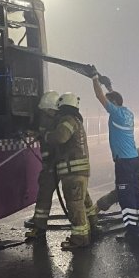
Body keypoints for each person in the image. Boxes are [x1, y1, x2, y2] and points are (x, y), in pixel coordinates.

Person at [92, 73, 139, 241]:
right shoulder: (128, 113)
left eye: (110, 102)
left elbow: (99, 96)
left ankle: (132, 233)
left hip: (124, 163)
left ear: (115, 103)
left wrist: (94, 79)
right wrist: (109, 86)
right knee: (136, 195)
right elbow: (115, 98)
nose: (107, 106)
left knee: (126, 198)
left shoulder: (116, 113)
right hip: (133, 160)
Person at [43, 92, 98, 250]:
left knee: (75, 205)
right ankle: (94, 226)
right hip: (78, 171)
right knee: (84, 202)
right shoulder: (76, 120)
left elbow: (60, 137)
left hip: (72, 172)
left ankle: (80, 239)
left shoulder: (67, 120)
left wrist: (46, 136)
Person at [24, 90, 62, 241]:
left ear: (53, 108)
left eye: (46, 110)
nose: (44, 112)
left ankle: (39, 227)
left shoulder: (58, 121)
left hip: (55, 164)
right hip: (53, 164)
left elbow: (54, 139)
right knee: (77, 194)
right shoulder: (50, 119)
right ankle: (90, 221)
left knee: (46, 193)